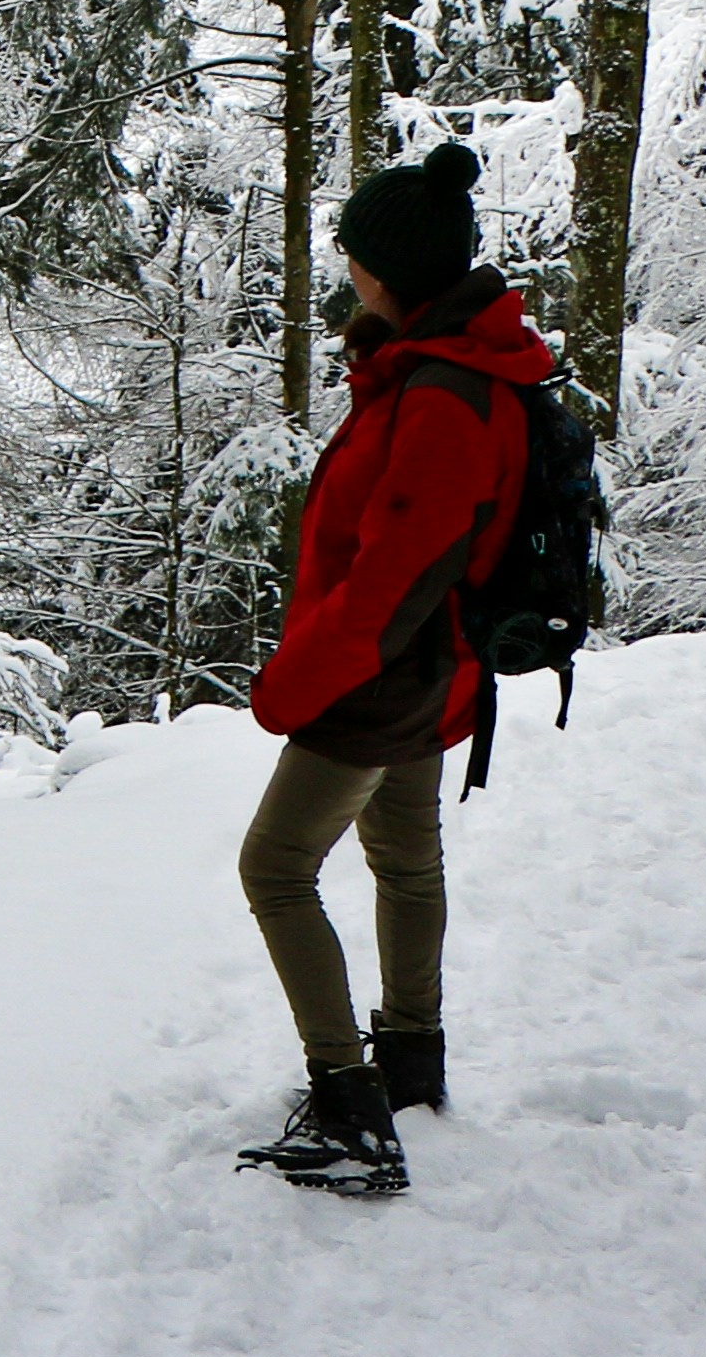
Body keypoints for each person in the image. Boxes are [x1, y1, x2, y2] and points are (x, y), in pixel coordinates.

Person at [234, 139, 557, 1199]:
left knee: (276, 867)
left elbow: (391, 578)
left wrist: (295, 684)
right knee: (404, 853)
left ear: (392, 269)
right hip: (434, 668)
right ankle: (411, 1062)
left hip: (384, 677)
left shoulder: (439, 399)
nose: (347, 269)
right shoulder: (455, 369)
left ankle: (350, 1111)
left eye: (356, 255)